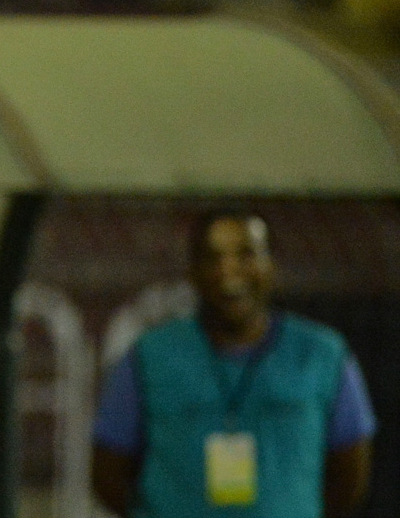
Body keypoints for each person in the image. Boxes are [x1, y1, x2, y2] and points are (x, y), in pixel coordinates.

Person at [91, 209, 377, 518]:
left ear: (271, 264)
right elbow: (108, 471)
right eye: (213, 258)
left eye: (246, 255)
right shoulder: (150, 355)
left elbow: (351, 475)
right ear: (193, 272)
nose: (229, 270)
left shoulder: (322, 355)